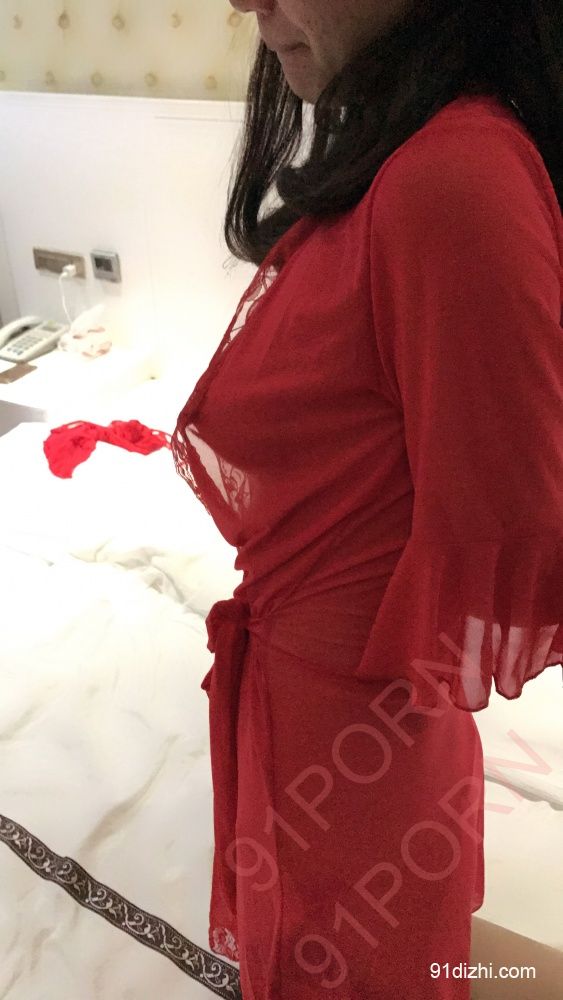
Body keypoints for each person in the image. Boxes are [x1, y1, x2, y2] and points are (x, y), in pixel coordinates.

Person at [171, 1, 563, 997]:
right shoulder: (401, 155)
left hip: (354, 765)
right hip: (324, 736)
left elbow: (519, 513)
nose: (244, 1)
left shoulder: (451, 177)